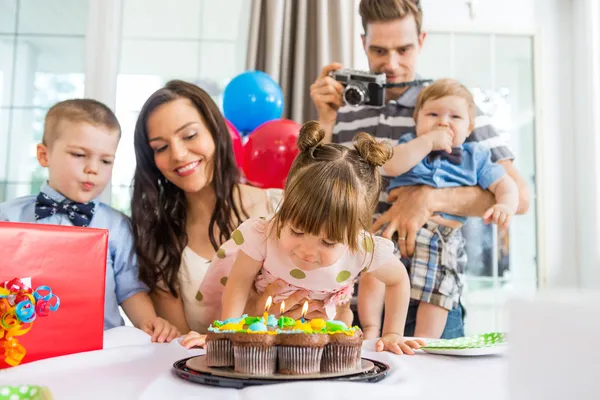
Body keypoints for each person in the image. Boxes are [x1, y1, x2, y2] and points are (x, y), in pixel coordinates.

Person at [310, 0, 530, 338]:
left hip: (432, 292)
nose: (392, 64)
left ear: (422, 41)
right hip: (352, 295)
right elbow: (311, 194)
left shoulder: (449, 106)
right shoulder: (347, 108)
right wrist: (325, 120)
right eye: (379, 51)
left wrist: (428, 199)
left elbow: (521, 198)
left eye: (404, 49)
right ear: (362, 43)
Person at [181, 120, 424, 355]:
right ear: (285, 203)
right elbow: (238, 283)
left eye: (328, 242)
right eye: (297, 231)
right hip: (262, 338)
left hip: (321, 346)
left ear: (354, 230)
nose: (307, 250)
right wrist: (229, 332)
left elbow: (398, 280)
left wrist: (393, 333)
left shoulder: (361, 248)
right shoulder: (263, 235)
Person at [130, 80, 325, 335]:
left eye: (189, 135)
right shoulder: (159, 238)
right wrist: (252, 316)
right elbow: (182, 345)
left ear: (216, 131)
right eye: (161, 147)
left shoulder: (280, 207)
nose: (177, 154)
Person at [0, 99, 179, 342]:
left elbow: (130, 289)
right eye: (79, 155)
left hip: (97, 349)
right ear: (44, 155)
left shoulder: (117, 226)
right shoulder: (8, 217)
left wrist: (149, 322)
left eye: (105, 161)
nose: (93, 168)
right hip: (22, 345)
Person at [359, 78, 519, 338]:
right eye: (433, 114)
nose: (443, 122)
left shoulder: (475, 156)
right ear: (417, 120)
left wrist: (504, 205)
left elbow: (507, 186)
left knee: (438, 289)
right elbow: (391, 166)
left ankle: (425, 344)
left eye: (454, 116)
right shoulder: (410, 144)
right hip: (394, 229)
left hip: (442, 237)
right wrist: (427, 142)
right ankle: (372, 329)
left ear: (470, 128)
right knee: (374, 269)